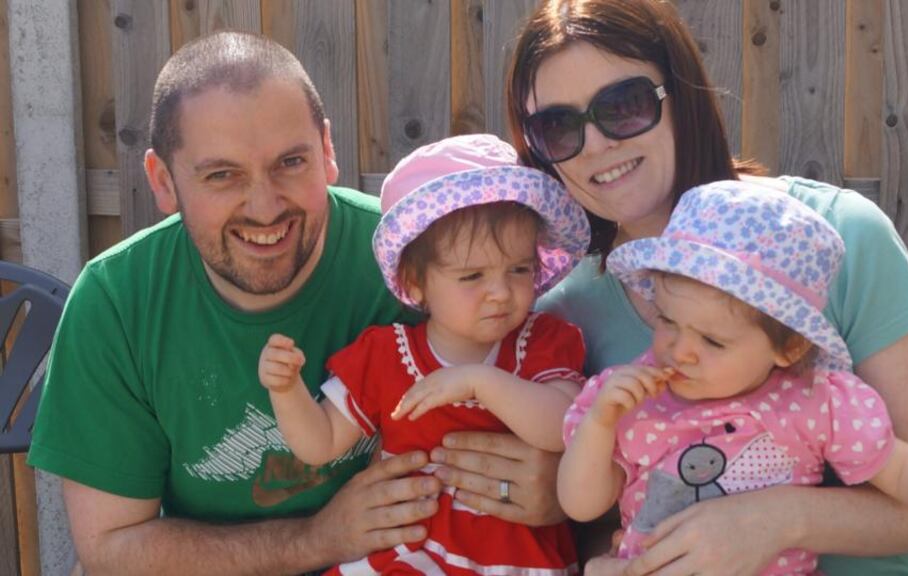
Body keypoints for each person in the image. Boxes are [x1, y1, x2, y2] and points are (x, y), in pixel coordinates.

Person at [27, 31, 566, 575]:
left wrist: (555, 491)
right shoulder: (117, 301)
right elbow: (112, 549)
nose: (265, 208)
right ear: (163, 182)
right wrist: (315, 540)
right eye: (222, 175)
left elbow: (552, 410)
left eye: (290, 162)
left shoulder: (427, 257)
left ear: (327, 151)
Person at [504, 1, 908, 574]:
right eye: (557, 127)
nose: (595, 144)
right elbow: (611, 517)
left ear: (682, 95)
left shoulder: (845, 236)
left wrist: (778, 520)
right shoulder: (562, 313)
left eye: (623, 105)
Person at [557, 180, 908, 574]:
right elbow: (581, 504)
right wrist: (599, 424)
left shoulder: (814, 401)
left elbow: (901, 466)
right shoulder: (631, 397)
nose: (680, 350)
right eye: (668, 321)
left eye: (713, 341)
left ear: (788, 348)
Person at [258, 133, 589, 574]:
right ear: (415, 284)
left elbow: (565, 428)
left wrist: (480, 382)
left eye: (519, 269)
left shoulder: (542, 342)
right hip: (411, 550)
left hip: (511, 556)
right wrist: (285, 390)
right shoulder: (387, 355)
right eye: (472, 276)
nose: (500, 291)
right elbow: (320, 443)